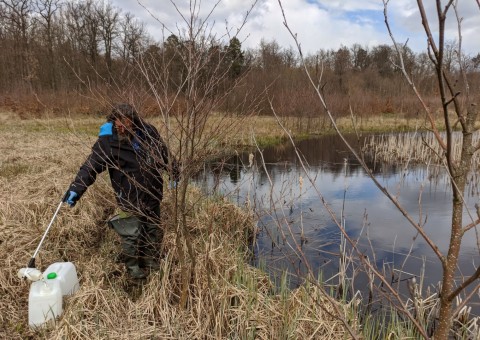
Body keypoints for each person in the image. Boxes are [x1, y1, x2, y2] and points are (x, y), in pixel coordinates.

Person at [65, 103, 179, 279]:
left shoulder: (149, 132)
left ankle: (150, 260)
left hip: (153, 192)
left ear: (134, 121)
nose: (122, 128)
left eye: (127, 124)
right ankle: (134, 269)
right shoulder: (108, 142)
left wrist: (174, 172)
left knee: (152, 228)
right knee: (131, 234)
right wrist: (76, 189)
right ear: (113, 121)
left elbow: (164, 152)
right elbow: (90, 166)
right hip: (128, 196)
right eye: (118, 124)